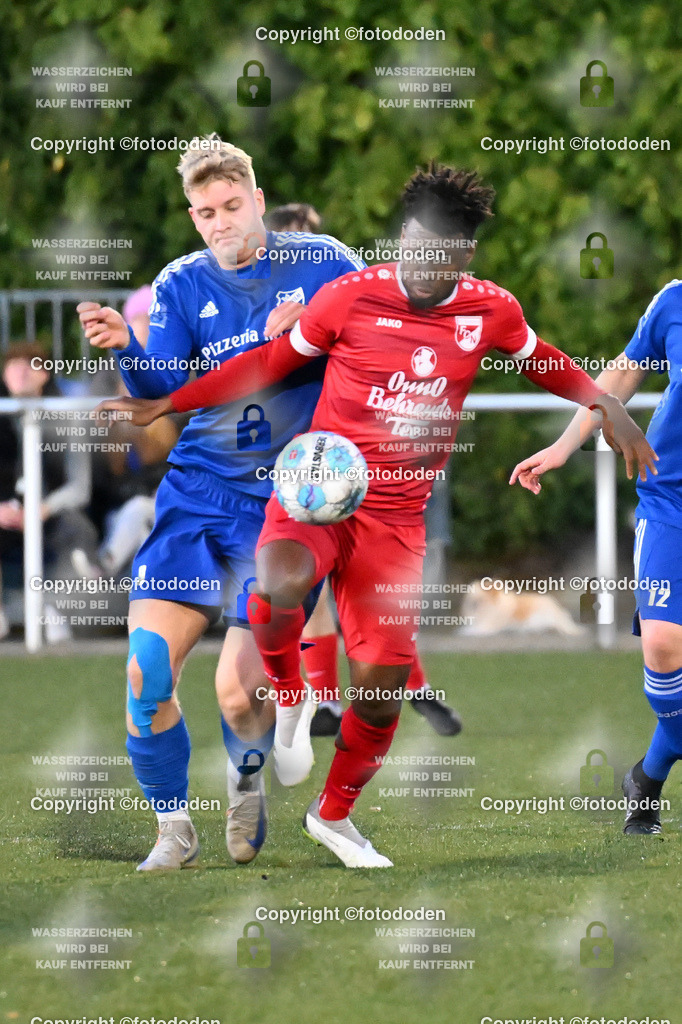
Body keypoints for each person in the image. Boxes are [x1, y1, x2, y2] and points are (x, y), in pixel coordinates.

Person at [97, 164, 655, 867]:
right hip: (315, 491)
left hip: (396, 521)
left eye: (437, 252)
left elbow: (543, 361)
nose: (419, 262)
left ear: (463, 256)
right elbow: (268, 362)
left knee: (385, 687)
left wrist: (610, 410)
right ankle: (292, 700)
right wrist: (168, 402)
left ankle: (333, 816)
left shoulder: (490, 309)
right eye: (411, 243)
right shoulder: (351, 294)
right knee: (278, 581)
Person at [77, 134, 364, 871]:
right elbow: (158, 393)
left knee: (237, 695)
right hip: (196, 491)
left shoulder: (325, 261)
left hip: (278, 510)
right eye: (204, 212)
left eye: (232, 205)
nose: (220, 223)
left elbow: (377, 343)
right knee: (145, 670)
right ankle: (173, 828)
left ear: (260, 201)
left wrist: (308, 338)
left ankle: (245, 784)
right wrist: (123, 348)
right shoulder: (180, 282)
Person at [266, 204, 462, 740]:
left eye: (310, 240)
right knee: (311, 589)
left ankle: (397, 687)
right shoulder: (259, 297)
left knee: (371, 593)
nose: (302, 254)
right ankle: (324, 699)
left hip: (370, 459)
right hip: (304, 457)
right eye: (292, 242)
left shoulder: (344, 286)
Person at [510, 282, 682, 836]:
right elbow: (623, 376)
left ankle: (648, 777)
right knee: (661, 643)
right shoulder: (673, 301)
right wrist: (564, 446)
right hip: (671, 497)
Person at [0, 343, 98, 643]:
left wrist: (43, 508)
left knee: (77, 531)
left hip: (52, 515)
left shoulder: (66, 417)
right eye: (12, 364)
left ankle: (61, 609)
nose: (18, 372)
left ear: (44, 374)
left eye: (27, 364)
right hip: (6, 513)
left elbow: (80, 487)